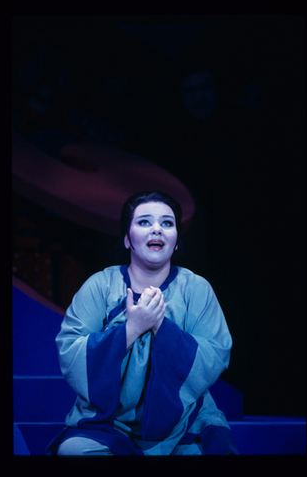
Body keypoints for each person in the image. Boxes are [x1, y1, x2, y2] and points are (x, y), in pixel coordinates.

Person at [46, 190, 239, 455]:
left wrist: (161, 326)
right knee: (75, 451)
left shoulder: (196, 288)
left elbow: (215, 352)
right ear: (127, 239)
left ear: (176, 241)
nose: (157, 229)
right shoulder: (100, 285)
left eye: (167, 223)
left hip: (184, 421)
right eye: (144, 222)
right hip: (107, 421)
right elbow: (71, 351)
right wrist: (131, 328)